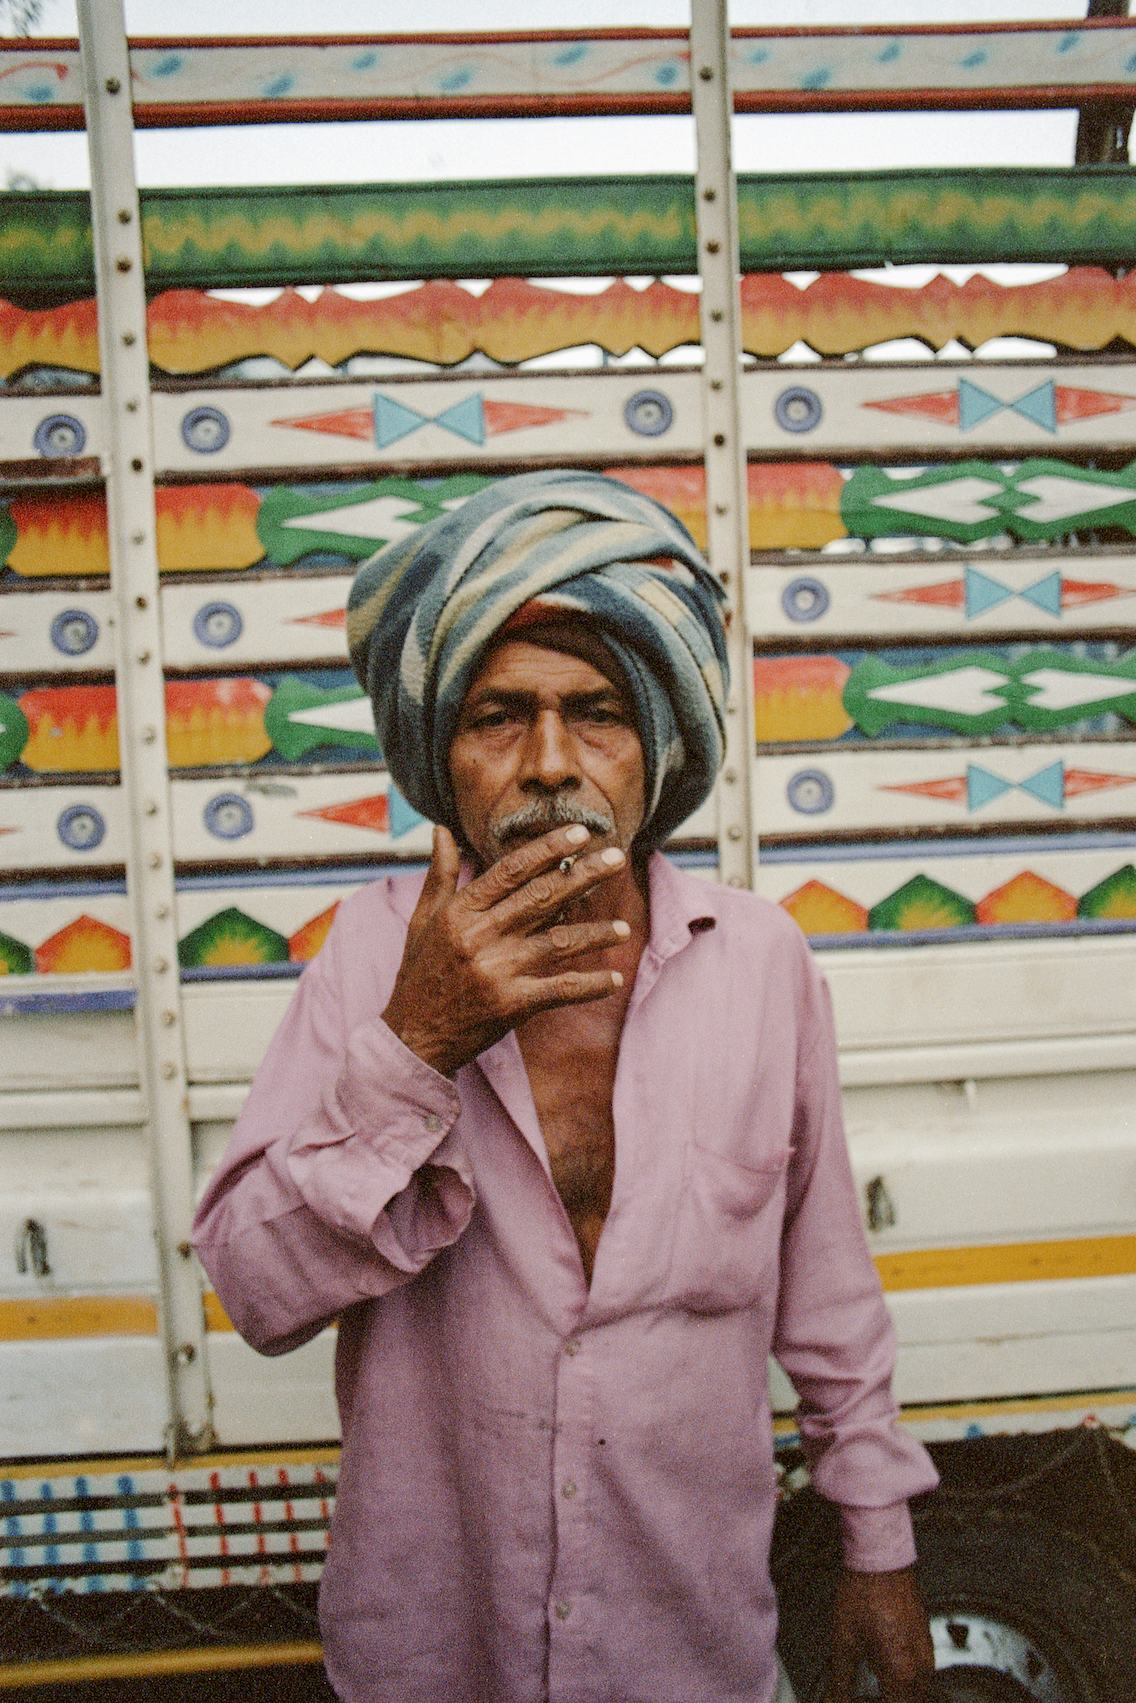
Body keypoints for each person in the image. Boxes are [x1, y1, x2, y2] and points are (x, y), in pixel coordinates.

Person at [193, 470, 939, 1703]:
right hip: (438, 1658)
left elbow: (825, 1287)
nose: (547, 763)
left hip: (689, 1651)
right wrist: (416, 1039)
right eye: (496, 717)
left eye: (594, 711)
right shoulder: (372, 958)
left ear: (659, 742)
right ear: (442, 751)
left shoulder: (759, 964)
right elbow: (253, 1287)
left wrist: (879, 1545)